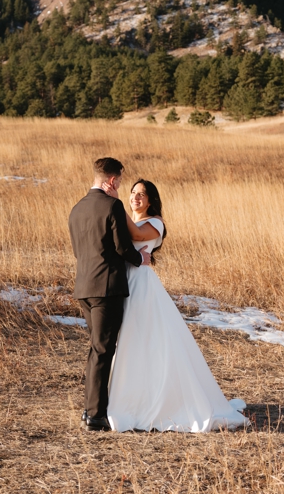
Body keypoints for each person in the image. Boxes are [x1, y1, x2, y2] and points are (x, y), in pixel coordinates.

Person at [105, 179, 247, 433]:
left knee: (147, 336)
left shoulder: (155, 223)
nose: (135, 197)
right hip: (124, 282)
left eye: (142, 194)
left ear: (151, 200)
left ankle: (158, 400)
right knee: (128, 338)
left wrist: (115, 204)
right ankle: (129, 393)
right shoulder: (129, 220)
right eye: (133, 192)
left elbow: (137, 236)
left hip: (142, 285)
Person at [67, 157, 144, 432]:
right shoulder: (112, 206)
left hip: (84, 287)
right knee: (102, 350)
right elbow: (122, 247)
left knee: (96, 348)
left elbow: (78, 251)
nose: (120, 186)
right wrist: (141, 258)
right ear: (112, 180)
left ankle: (90, 411)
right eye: (120, 182)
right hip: (106, 288)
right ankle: (96, 415)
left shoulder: (77, 208)